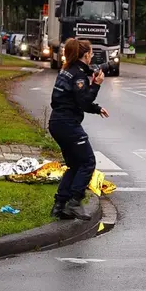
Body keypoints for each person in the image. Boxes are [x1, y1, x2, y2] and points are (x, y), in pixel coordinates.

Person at [48, 38, 109, 220]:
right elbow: (83, 101)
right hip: (68, 124)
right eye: (90, 53)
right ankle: (75, 201)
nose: (91, 57)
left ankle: (59, 205)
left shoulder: (67, 70)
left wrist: (96, 109)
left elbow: (76, 100)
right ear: (85, 55)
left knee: (74, 165)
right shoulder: (79, 76)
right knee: (88, 162)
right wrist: (96, 84)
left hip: (57, 122)